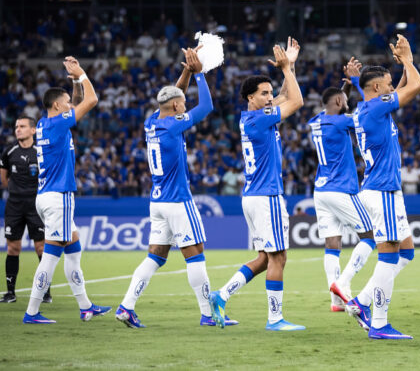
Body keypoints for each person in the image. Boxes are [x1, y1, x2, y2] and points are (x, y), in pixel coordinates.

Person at [115, 47, 226, 328]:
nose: (185, 104)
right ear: (176, 108)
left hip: (157, 202)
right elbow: (207, 108)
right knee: (196, 253)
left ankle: (126, 306)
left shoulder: (152, 122)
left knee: (155, 256)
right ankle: (207, 314)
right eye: (182, 103)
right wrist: (199, 74)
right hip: (178, 200)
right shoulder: (174, 126)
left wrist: (186, 71)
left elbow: (173, 95)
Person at [208, 38, 305, 331]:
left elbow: (286, 95)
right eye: (264, 93)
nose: (269, 97)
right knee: (279, 257)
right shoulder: (260, 119)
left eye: (270, 93)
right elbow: (297, 101)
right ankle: (275, 319)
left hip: (253, 196)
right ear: (251, 97)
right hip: (266, 197)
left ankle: (221, 295)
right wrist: (287, 68)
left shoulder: (252, 117)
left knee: (265, 258)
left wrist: (291, 67)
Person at [344, 34, 420, 340]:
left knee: (406, 252)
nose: (393, 87)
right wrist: (408, 61)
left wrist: (356, 81)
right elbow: (415, 86)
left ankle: (362, 301)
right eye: (388, 84)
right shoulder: (376, 108)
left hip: (382, 189)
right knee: (389, 255)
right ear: (377, 89)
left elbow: (402, 88)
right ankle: (378, 323)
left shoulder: (369, 108)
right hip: (383, 190)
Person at [23, 56, 110, 324]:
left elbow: (75, 101)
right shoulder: (60, 123)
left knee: (74, 248)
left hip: (47, 195)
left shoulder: (44, 124)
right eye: (67, 102)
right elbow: (92, 100)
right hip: (59, 196)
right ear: (58, 106)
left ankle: (85, 306)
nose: (71, 104)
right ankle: (32, 312)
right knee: (50, 256)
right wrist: (82, 73)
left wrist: (72, 80)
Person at [309, 57, 376, 312]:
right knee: (369, 236)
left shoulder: (318, 120)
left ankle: (335, 300)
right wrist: (359, 84)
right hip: (341, 190)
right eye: (345, 101)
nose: (348, 104)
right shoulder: (342, 122)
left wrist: (345, 85)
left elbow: (338, 104)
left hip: (320, 191)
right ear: (339, 103)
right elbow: (366, 113)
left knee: (332, 244)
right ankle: (343, 284)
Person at [1, 116, 51, 304]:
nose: (18, 129)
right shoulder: (9, 152)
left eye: (22, 126)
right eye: (16, 126)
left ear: (33, 130)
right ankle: (10, 293)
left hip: (35, 205)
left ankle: (46, 291)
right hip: (14, 205)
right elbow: (3, 177)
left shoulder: (41, 152)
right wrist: (14, 191)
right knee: (13, 248)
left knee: (41, 247)